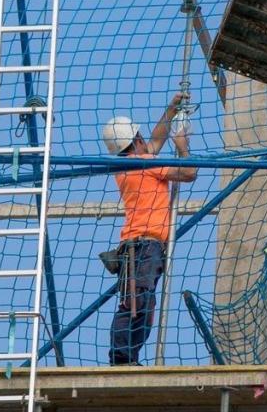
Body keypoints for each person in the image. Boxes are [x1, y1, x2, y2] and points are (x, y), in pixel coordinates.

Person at [101, 93, 197, 365]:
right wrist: (183, 147)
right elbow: (189, 174)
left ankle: (126, 357)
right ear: (137, 141)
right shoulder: (146, 165)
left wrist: (171, 109)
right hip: (144, 246)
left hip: (141, 246)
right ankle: (121, 358)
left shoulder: (130, 166)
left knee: (141, 303)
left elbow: (155, 141)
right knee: (137, 302)